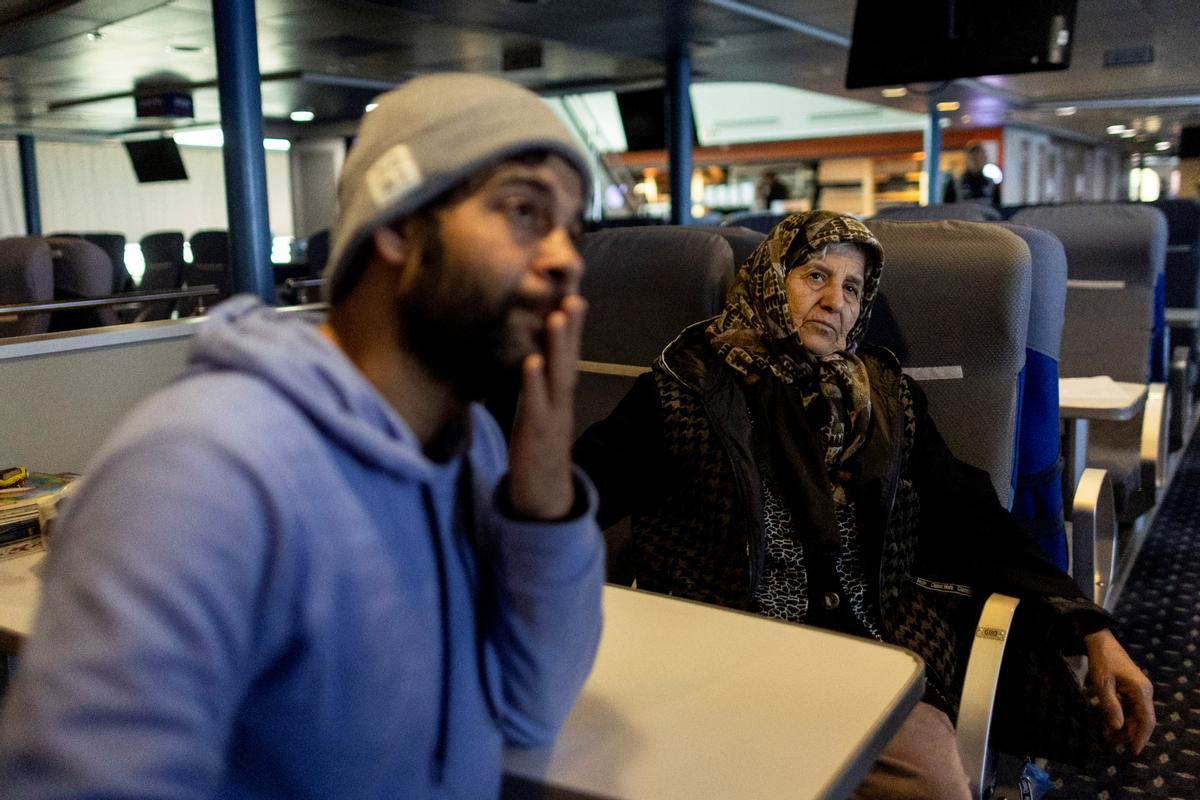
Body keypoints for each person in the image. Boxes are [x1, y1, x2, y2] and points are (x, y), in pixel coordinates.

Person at [0, 73, 605, 799]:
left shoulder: (468, 443)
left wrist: (542, 491)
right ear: (399, 224)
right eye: (522, 210)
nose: (566, 257)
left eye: (571, 227)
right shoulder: (201, 469)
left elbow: (530, 707)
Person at [573, 210, 1154, 799]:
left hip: (870, 655)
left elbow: (973, 518)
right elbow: (577, 493)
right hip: (720, 654)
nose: (835, 301)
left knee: (931, 786)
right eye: (815, 277)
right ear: (771, 279)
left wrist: (1091, 630)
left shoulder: (887, 398)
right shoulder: (686, 388)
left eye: (852, 288)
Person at [944, 140, 1000, 206]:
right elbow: (947, 209)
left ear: (985, 159)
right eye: (973, 157)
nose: (977, 161)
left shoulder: (991, 184)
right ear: (966, 159)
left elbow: (997, 210)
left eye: (980, 157)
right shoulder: (955, 183)